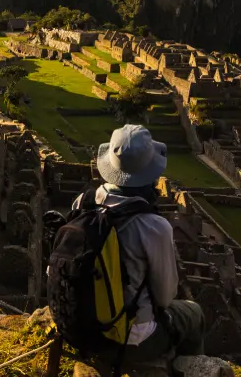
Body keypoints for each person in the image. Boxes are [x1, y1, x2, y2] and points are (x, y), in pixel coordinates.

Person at [66, 124, 204, 376]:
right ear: (150, 174)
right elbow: (164, 298)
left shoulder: (82, 204)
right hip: (128, 339)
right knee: (193, 313)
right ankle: (188, 369)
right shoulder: (153, 226)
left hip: (77, 327)